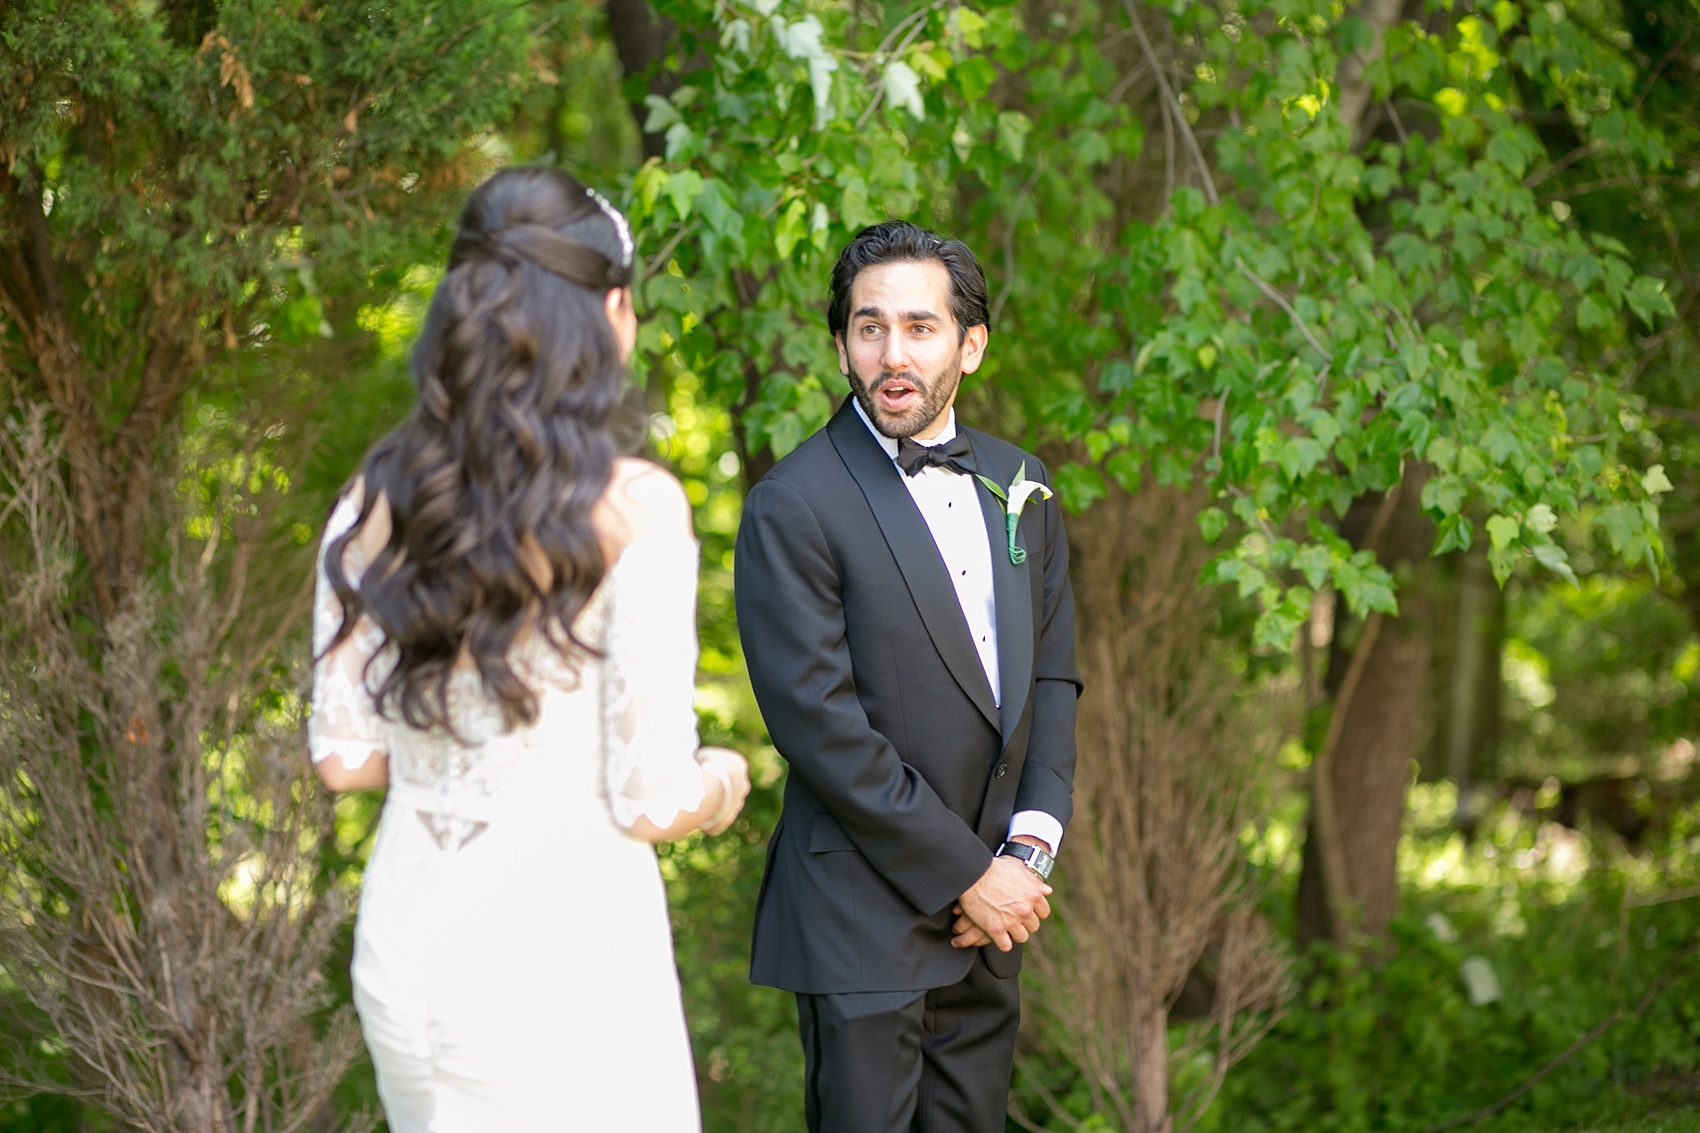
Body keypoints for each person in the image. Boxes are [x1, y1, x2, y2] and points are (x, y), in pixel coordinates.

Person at [307, 166, 750, 1133]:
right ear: (610, 314)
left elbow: (344, 760)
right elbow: (652, 801)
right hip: (557, 953)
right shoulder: (632, 506)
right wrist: (724, 778)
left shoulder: (380, 494)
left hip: (405, 938)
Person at [734, 220, 1080, 1132]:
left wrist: (1026, 856)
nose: (893, 353)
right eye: (869, 326)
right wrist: (970, 873)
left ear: (970, 344)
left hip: (992, 920)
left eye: (920, 328)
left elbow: (1051, 684)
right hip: (861, 918)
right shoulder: (794, 502)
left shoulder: (1022, 485)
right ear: (843, 342)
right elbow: (821, 726)